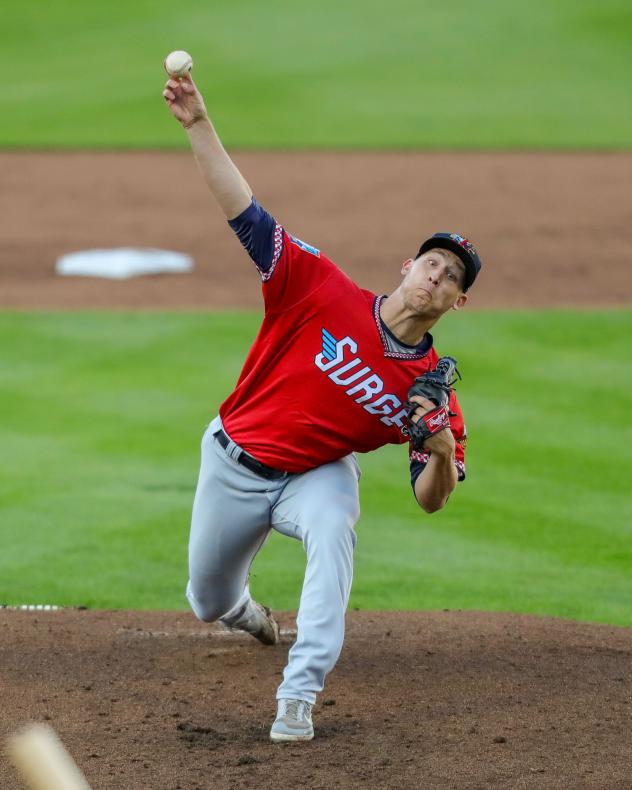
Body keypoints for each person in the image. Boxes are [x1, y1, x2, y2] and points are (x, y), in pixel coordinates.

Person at [162, 73, 482, 743]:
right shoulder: (319, 287)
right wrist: (197, 124)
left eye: (452, 279)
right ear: (408, 265)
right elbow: (247, 214)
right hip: (234, 460)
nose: (437, 279)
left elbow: (430, 498)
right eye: (433, 264)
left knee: (335, 530)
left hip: (316, 475)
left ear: (459, 303)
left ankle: (298, 695)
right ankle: (247, 613)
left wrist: (444, 453)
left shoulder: (430, 394)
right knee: (206, 599)